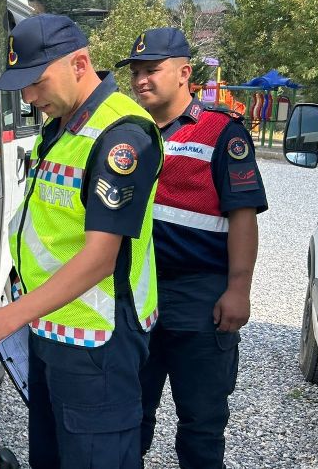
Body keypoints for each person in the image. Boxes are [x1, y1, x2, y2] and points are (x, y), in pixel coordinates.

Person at [0, 14, 163, 468]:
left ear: (80, 63)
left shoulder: (123, 136)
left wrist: (1, 320)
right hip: (50, 327)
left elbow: (99, 257)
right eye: (22, 85)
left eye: (37, 81)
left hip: (98, 341)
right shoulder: (62, 125)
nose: (29, 97)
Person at [119, 27, 267, 468]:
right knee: (129, 415)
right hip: (135, 294)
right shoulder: (128, 131)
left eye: (153, 70)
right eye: (137, 72)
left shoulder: (221, 131)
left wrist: (238, 288)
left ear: (185, 73)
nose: (142, 80)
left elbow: (243, 214)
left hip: (199, 296)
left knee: (201, 422)